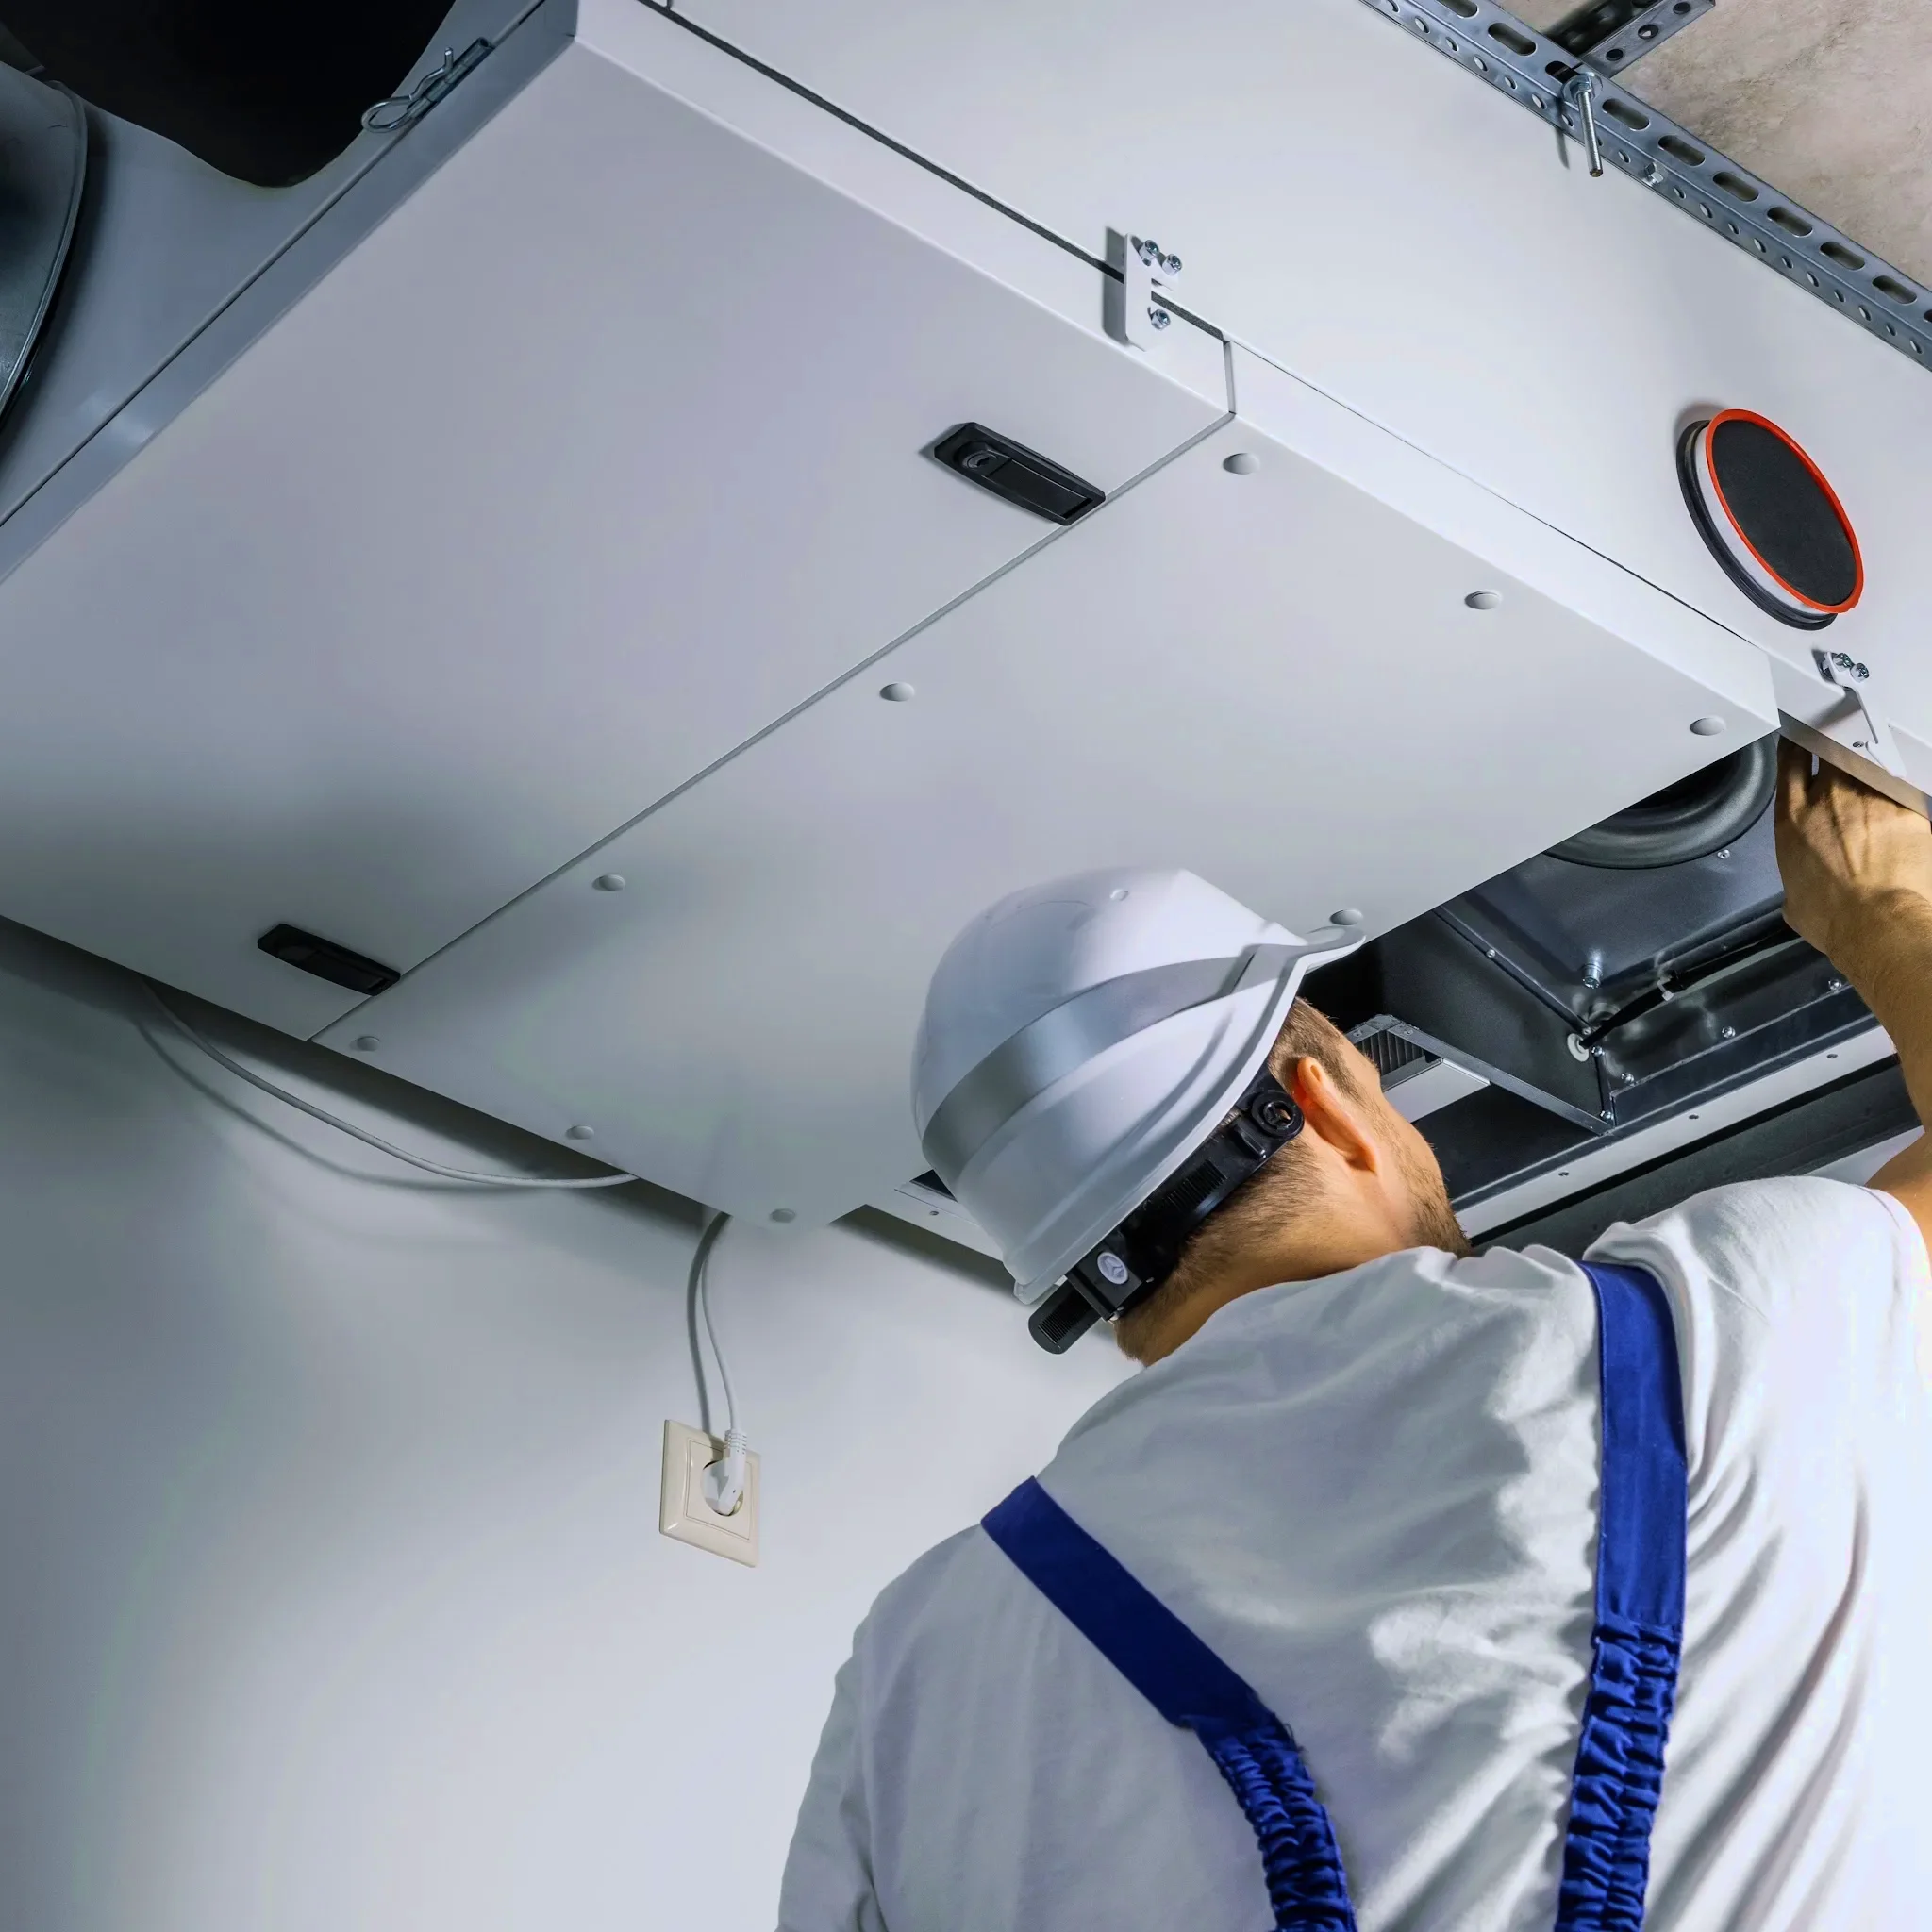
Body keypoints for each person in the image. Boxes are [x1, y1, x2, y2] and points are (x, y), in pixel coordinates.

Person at [777, 744, 1932, 1930]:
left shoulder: (913, 1659)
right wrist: (1883, 899)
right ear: (1327, 1102)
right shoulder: (1680, 1336)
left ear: (1085, 1282)